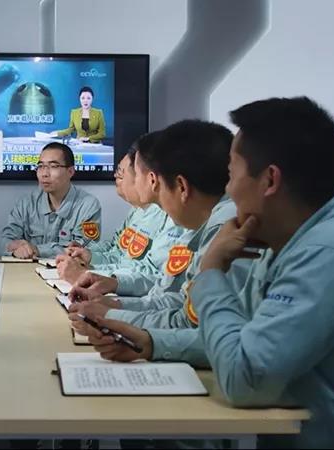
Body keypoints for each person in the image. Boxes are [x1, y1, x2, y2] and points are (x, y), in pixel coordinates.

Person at [81, 98, 334, 448]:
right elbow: (243, 339)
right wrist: (154, 343)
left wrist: (210, 273)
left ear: (270, 180)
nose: (228, 190)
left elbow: (244, 380)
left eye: (232, 175)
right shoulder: (283, 235)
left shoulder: (330, 249)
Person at [69, 120, 248, 366]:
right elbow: (183, 303)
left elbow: (200, 326)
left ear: (181, 187)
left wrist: (115, 316)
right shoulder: (207, 223)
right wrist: (115, 306)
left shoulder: (228, 230)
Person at [55, 147, 187, 296]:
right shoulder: (139, 211)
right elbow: (117, 251)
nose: (116, 177)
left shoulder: (175, 219)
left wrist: (90, 273)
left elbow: (156, 279)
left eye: (121, 173)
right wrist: (90, 260)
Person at [0, 142, 101, 259]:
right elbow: (4, 241)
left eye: (53, 166)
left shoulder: (88, 205)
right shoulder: (26, 203)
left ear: (70, 172)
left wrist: (38, 250)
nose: (44, 174)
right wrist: (14, 247)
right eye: (41, 166)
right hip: (28, 269)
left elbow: (84, 250)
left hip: (70, 269)